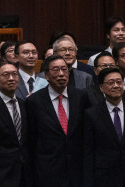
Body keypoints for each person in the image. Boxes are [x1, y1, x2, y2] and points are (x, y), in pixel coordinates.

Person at [26, 55, 89, 187]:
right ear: (47, 75)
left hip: (78, 170)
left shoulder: (81, 97)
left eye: (64, 69)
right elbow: (31, 140)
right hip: (48, 171)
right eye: (56, 70)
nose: (61, 74)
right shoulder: (34, 101)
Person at [82, 67, 125, 187]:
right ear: (101, 87)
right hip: (103, 178)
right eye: (111, 82)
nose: (116, 86)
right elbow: (88, 153)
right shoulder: (91, 114)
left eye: (119, 82)